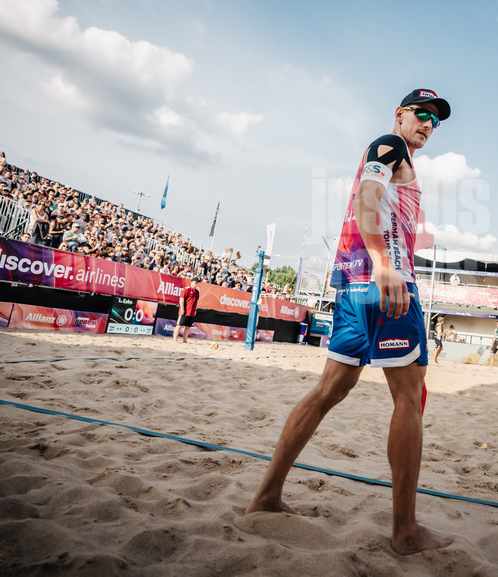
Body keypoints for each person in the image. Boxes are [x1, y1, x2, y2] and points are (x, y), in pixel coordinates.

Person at [245, 88, 453, 555]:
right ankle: (405, 532)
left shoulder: (401, 159)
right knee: (408, 398)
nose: (428, 124)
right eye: (421, 114)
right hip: (383, 284)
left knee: (330, 390)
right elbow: (367, 195)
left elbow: (377, 205)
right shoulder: (389, 144)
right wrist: (383, 261)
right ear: (400, 115)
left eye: (435, 120)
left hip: (354, 285)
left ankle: (266, 497)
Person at [173, 277, 201, 343]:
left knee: (188, 327)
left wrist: (195, 310)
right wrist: (182, 308)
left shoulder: (197, 291)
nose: (197, 284)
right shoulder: (186, 290)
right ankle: (175, 340)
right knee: (179, 325)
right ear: (192, 282)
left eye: (198, 283)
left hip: (192, 312)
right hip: (185, 311)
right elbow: (181, 299)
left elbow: (196, 301)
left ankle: (185, 340)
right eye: (196, 283)